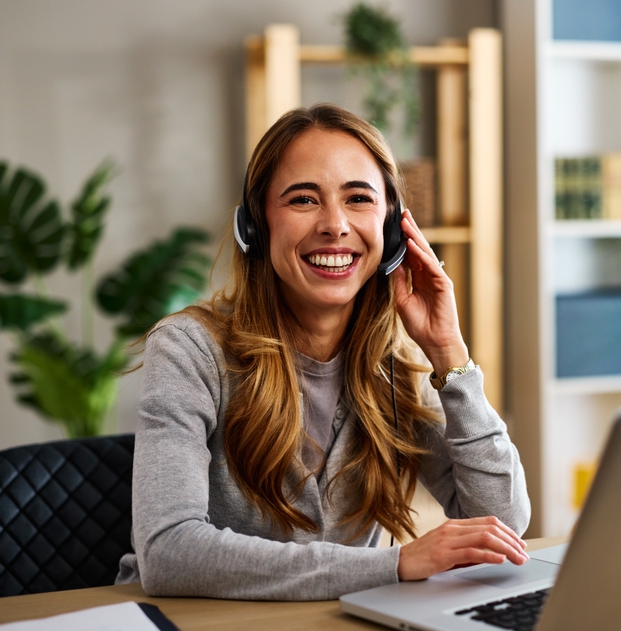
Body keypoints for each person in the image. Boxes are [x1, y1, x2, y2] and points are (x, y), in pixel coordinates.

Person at [116, 103, 531, 600]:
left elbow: (501, 524)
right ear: (256, 226)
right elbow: (168, 552)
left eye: (358, 198)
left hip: (333, 629)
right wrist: (393, 565)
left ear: (393, 230)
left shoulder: (394, 365)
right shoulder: (190, 350)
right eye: (303, 199)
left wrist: (449, 353)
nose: (335, 224)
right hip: (193, 629)